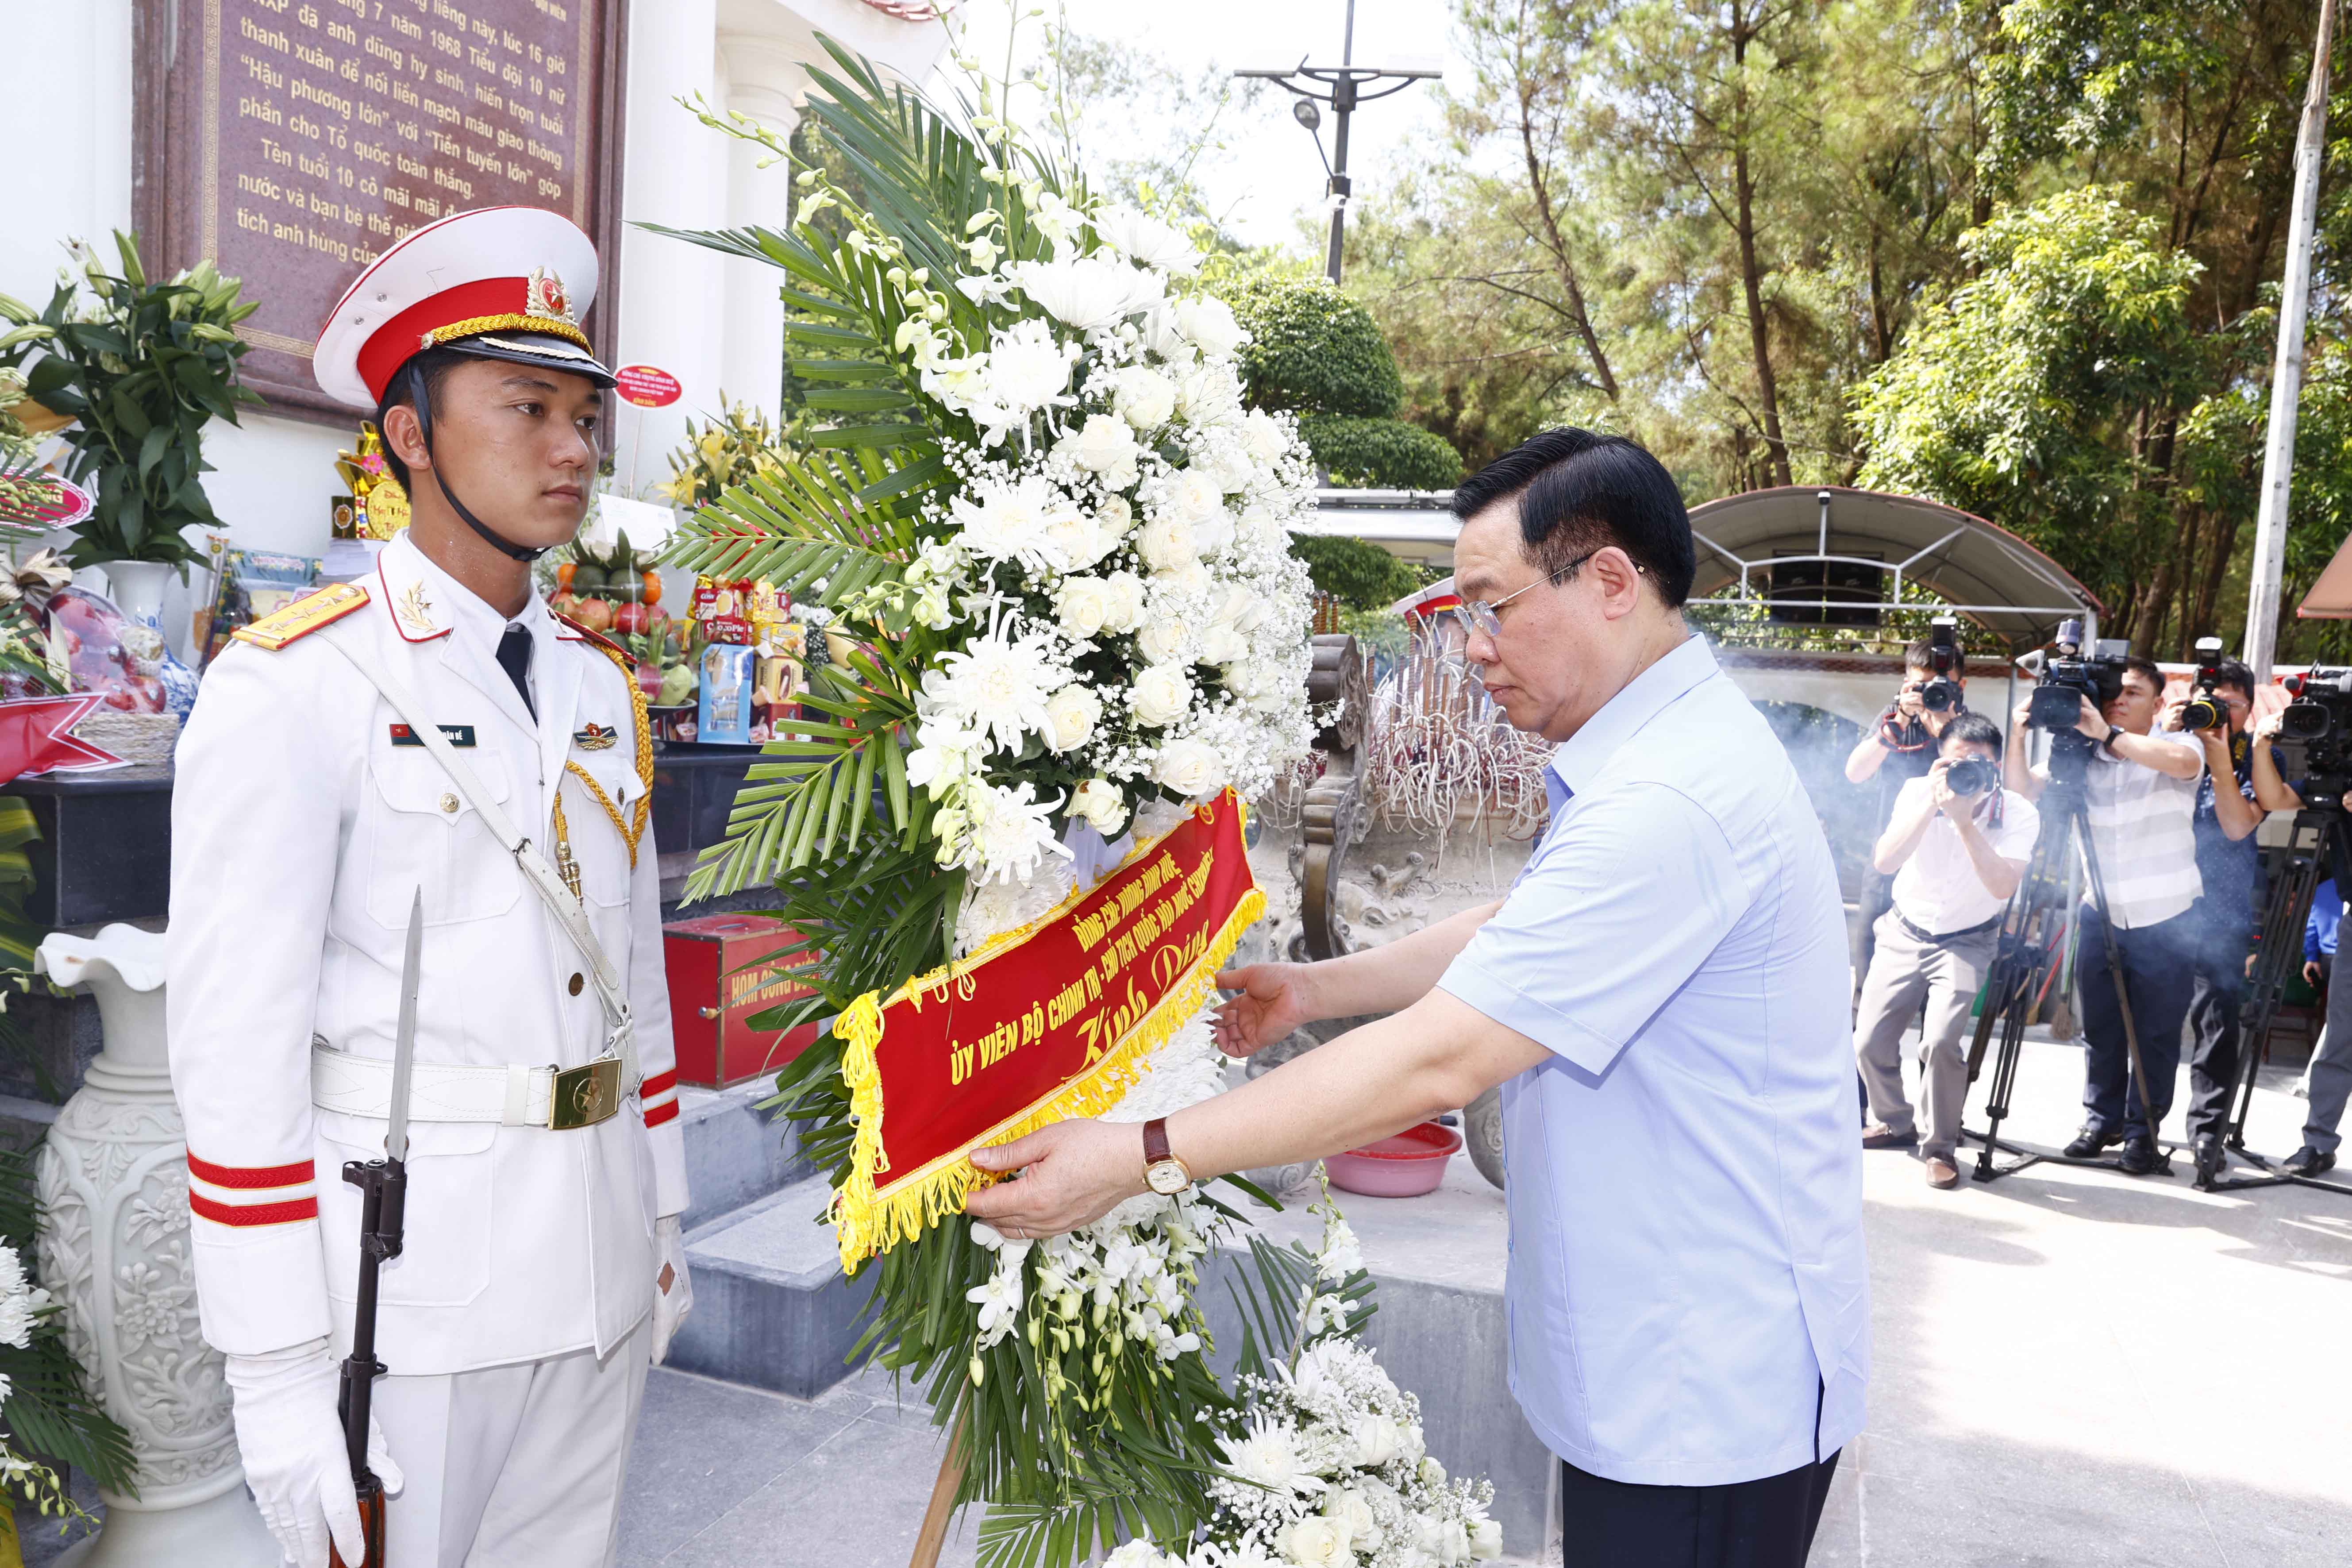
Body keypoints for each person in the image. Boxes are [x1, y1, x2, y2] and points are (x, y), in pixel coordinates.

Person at [967, 429, 1868, 1568]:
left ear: (1607, 583)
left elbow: (1442, 1060)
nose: (1475, 648)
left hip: (1702, 1394)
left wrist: (1136, 1154)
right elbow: (1520, 932)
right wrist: (1311, 989)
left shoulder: (1672, 799)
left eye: (1491, 607)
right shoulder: (1653, 753)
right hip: (1669, 1354)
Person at [168, 207, 691, 1568]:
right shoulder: (294, 684)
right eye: (527, 406)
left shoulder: (594, 679)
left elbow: (632, 974)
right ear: (409, 436)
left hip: (595, 1269)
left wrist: (669, 1214)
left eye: (584, 411)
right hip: (407, 1296)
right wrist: (277, 1368)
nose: (573, 448)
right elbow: (234, 1048)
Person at [2006, 655, 2206, 1175]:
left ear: (2159, 704)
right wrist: (2017, 731)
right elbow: (2022, 791)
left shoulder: (2177, 744)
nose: (2119, 698)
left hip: (2167, 916)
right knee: (2102, 1028)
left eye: (2134, 693)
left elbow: (2185, 767)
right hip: (2101, 910)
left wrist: (2109, 734)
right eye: (2114, 690)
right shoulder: (2079, 756)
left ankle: (2143, 1132)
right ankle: (2102, 1122)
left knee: (2155, 1033)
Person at [1852, 713, 2040, 1189]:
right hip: (1903, 928)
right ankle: (1895, 1122)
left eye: (1978, 765)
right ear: (1939, 762)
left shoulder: (2017, 812)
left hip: (1967, 937)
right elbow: (1884, 861)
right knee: (1867, 1040)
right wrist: (1932, 808)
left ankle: (1939, 1146)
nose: (1966, 773)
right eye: (1956, 763)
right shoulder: (1917, 792)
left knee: (1937, 1042)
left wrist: (1963, 823)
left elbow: (2000, 886)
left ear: (1996, 766)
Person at [2163, 659, 2263, 1183]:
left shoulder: (2257, 760)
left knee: (2216, 1026)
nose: (2218, 714)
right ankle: (2132, 1125)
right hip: (2160, 907)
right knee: (2153, 1020)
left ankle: (2207, 1134)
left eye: (2230, 705)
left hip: (2220, 911)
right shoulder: (2170, 746)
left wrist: (2220, 755)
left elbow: (2234, 827)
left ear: (2248, 709)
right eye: (2211, 703)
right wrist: (2169, 729)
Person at [2250, 713, 2351, 1177]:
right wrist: (2261, 742)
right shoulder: (2336, 773)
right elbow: (2275, 800)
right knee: (2340, 1038)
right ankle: (2317, 1143)